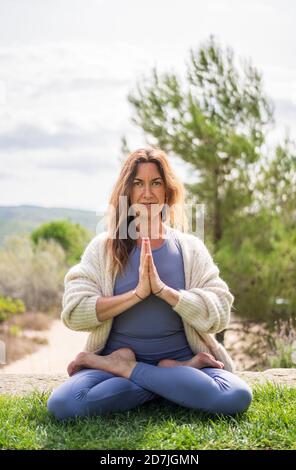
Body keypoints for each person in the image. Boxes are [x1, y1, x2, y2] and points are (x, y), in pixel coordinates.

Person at [47, 147, 252, 421]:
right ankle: (168, 380)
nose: (147, 193)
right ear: (127, 193)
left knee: (237, 395)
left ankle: (130, 370)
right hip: (166, 371)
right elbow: (73, 311)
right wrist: (137, 294)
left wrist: (166, 293)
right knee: (64, 405)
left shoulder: (190, 248)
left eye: (156, 183)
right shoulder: (103, 248)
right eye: (138, 184)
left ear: (167, 192)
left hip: (158, 364)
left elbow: (220, 311)